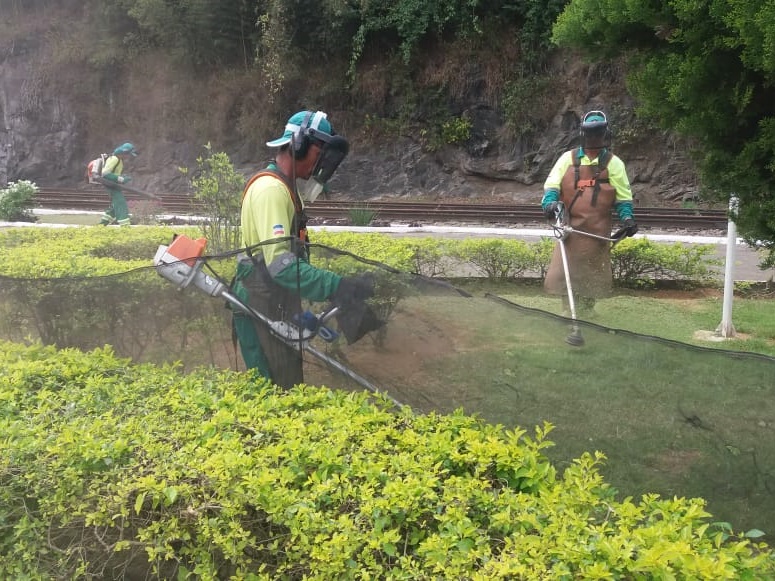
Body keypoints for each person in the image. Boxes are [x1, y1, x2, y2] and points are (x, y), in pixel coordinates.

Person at [232, 110, 377, 389]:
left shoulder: (287, 190)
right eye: (319, 152)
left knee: (289, 385)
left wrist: (301, 312)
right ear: (298, 144)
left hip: (273, 301)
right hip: (257, 307)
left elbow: (284, 262)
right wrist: (336, 285)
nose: (322, 163)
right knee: (273, 393)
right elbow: (280, 265)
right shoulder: (270, 191)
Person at [540, 110, 638, 314]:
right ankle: (569, 311)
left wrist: (627, 218)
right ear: (583, 134)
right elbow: (552, 186)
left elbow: (623, 198)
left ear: (604, 134)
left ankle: (587, 311)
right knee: (567, 273)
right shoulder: (568, 159)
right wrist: (550, 203)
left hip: (597, 232)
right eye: (591, 133)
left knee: (591, 275)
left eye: (598, 133)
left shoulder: (614, 164)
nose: (594, 137)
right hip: (569, 230)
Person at [99, 142, 138, 226]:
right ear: (124, 153)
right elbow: (105, 173)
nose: (129, 157)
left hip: (113, 184)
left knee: (115, 205)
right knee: (121, 203)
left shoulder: (119, 160)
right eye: (128, 155)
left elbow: (114, 173)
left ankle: (102, 224)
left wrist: (121, 177)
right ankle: (125, 226)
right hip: (110, 184)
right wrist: (121, 179)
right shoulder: (115, 159)